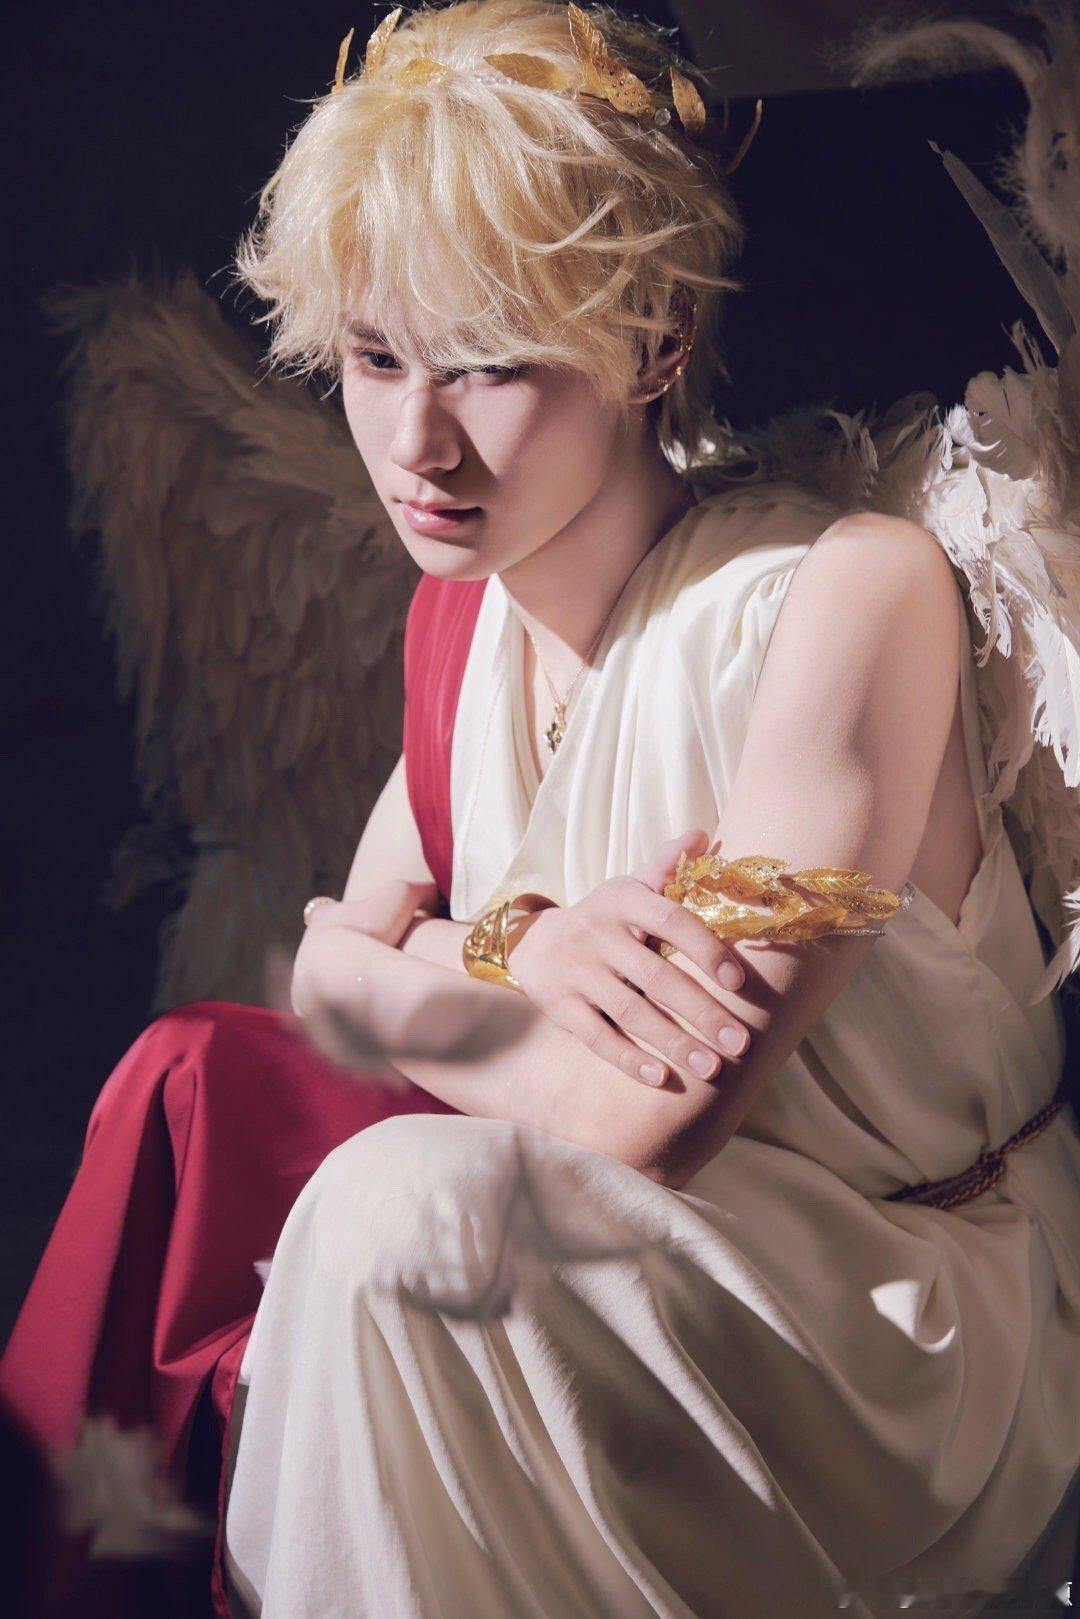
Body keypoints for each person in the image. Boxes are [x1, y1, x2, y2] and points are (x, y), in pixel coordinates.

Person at [215, 4, 1079, 1618]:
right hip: (642, 1280)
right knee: (386, 1221)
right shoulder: (464, 627)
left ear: (657, 341)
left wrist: (391, 962)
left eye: (490, 362)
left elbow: (640, 1122)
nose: (417, 442)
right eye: (377, 357)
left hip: (904, 1325)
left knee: (398, 1214)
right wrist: (512, 955)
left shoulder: (846, 595)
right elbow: (334, 980)